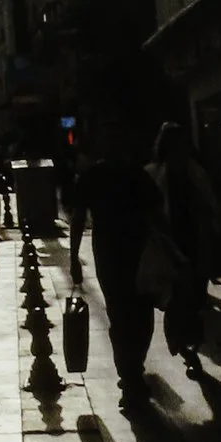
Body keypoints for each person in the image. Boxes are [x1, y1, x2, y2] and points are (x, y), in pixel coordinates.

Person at [67, 134, 158, 413]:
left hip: (115, 252)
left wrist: (73, 256)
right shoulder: (133, 174)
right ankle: (131, 375)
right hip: (128, 251)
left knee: (125, 316)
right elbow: (158, 212)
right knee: (137, 315)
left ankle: (130, 375)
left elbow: (79, 217)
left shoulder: (98, 176)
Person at [150, 122, 220, 380]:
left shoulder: (195, 173)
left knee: (195, 302)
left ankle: (192, 348)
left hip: (195, 244)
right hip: (169, 246)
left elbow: (210, 205)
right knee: (177, 302)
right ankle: (185, 349)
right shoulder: (156, 174)